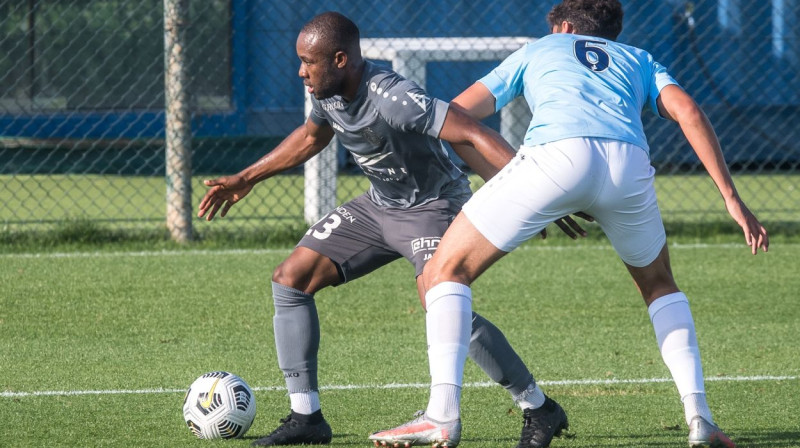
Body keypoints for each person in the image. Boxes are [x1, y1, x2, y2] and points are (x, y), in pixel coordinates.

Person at [369, 1, 769, 447]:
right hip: (627, 165)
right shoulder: (638, 59)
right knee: (659, 285)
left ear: (563, 26)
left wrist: (508, 183)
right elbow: (689, 111)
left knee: (445, 272)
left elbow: (458, 116)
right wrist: (732, 199)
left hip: (556, 157)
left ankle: (441, 416)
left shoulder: (542, 47)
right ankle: (701, 419)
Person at [198, 11, 588, 447]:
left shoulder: (395, 97)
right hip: (378, 207)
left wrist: (535, 186)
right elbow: (311, 137)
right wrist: (247, 177)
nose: (301, 71)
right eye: (300, 61)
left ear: (341, 59)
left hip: (433, 207)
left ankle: (539, 408)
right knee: (290, 280)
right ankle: (306, 418)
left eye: (309, 62)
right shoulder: (325, 90)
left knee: (442, 304)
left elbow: (471, 132)